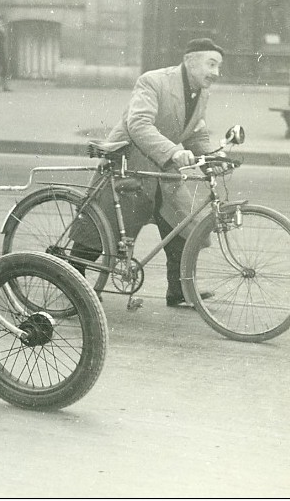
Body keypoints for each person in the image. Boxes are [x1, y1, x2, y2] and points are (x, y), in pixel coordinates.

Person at [75, 38, 224, 308]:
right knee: (99, 230)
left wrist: (212, 158)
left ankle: (179, 290)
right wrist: (173, 152)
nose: (216, 72)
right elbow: (139, 124)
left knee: (181, 224)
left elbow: (196, 130)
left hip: (163, 170)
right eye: (211, 64)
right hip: (129, 163)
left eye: (218, 66)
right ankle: (72, 280)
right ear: (190, 61)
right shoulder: (154, 81)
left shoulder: (201, 91)